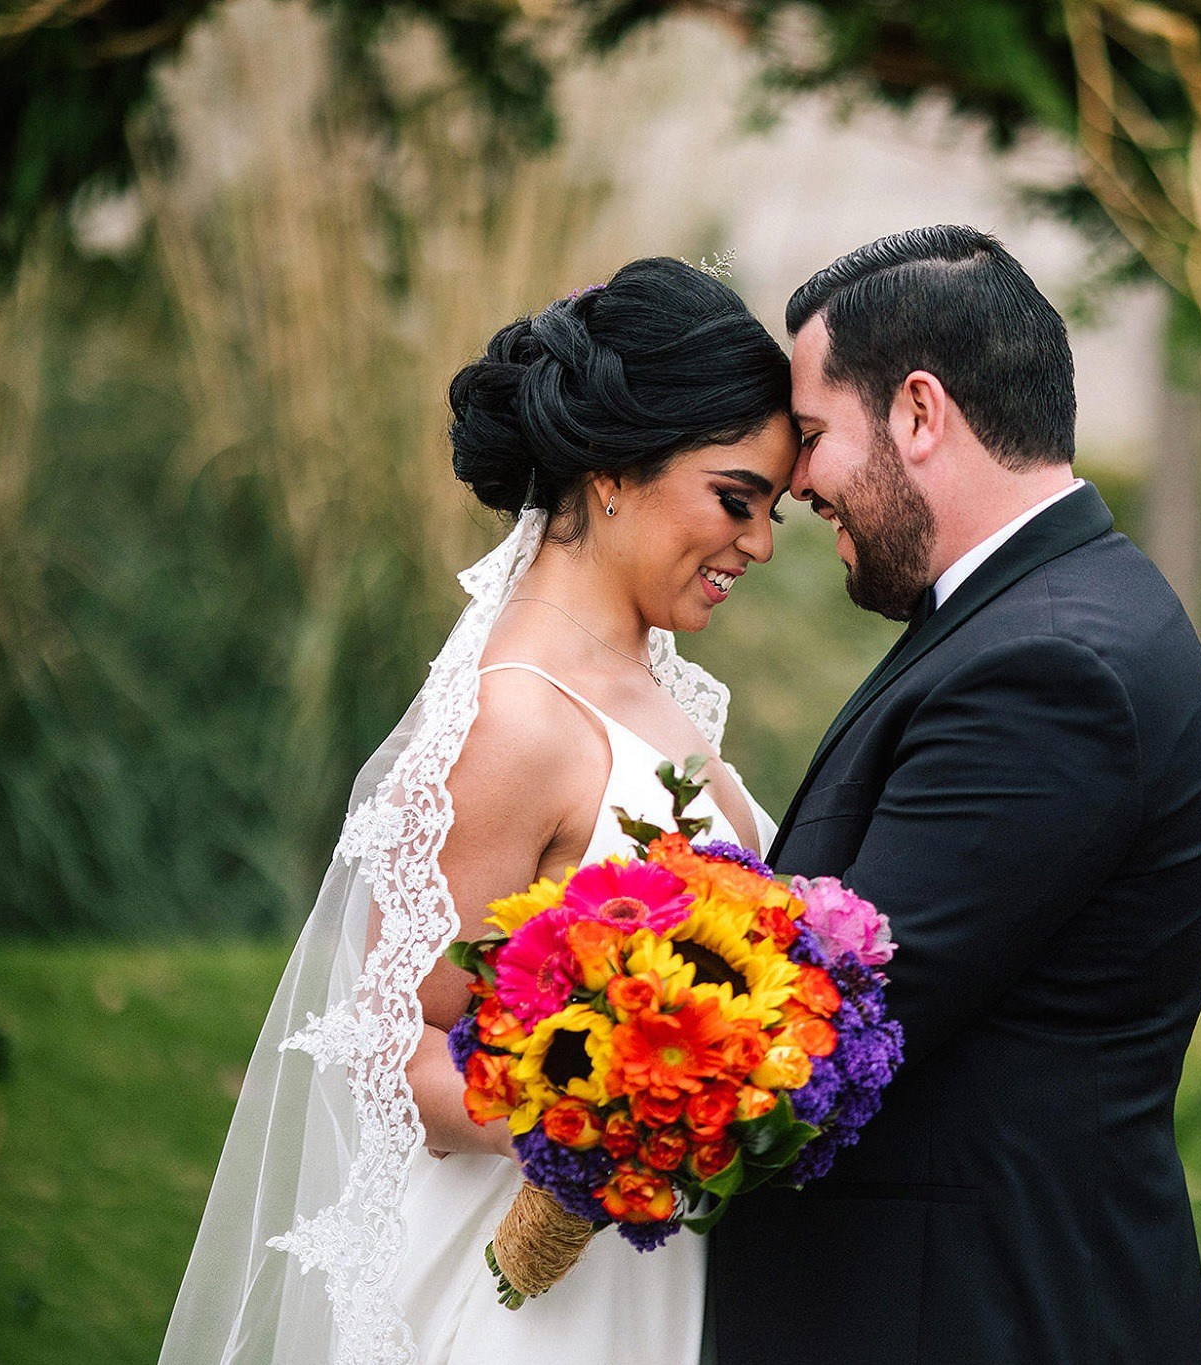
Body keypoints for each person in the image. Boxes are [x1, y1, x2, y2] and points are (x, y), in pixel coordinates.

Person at [159, 256, 796, 1365]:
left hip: (655, 1272)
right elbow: (395, 1040)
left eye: (775, 510)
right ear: (611, 471)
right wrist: (615, 1128)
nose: (760, 544)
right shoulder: (515, 720)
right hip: (532, 1297)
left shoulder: (661, 692)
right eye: (735, 500)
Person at [706, 226, 1201, 1364]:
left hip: (976, 1317)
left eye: (811, 437)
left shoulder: (1050, 671)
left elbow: (831, 1012)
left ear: (916, 412)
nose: (796, 485)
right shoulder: (1034, 616)